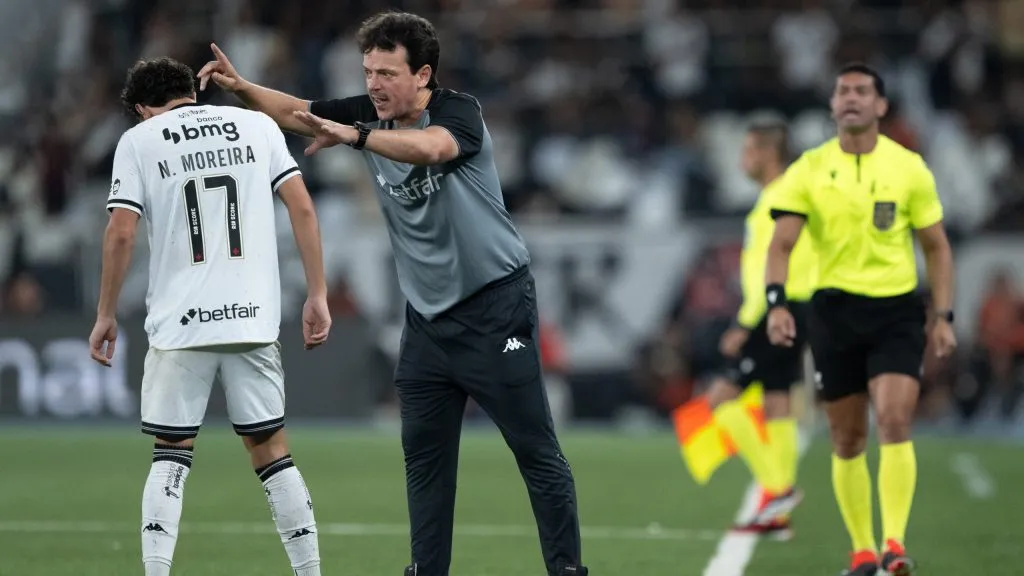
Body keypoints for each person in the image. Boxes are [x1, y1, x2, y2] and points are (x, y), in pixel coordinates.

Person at [198, 11, 587, 576]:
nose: (373, 84)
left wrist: (357, 136)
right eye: (368, 72)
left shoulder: (458, 112)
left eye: (386, 73)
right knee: (425, 464)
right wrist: (242, 88)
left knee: (536, 451)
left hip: (495, 310)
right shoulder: (369, 114)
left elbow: (431, 148)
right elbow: (298, 112)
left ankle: (567, 571)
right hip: (427, 324)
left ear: (423, 74)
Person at [88, 57, 332, 576]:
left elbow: (122, 232)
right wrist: (318, 292)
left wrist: (105, 312)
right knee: (272, 452)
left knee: (170, 455)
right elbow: (302, 207)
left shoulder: (139, 141)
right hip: (251, 318)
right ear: (190, 93)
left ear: (142, 108)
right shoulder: (256, 125)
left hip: (181, 324)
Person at [765, 62, 957, 576]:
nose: (851, 98)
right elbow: (781, 244)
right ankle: (862, 551)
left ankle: (894, 545)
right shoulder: (809, 169)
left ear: (881, 105)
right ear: (832, 105)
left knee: (893, 419)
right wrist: (777, 303)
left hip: (896, 311)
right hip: (834, 313)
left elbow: (936, 247)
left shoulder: (908, 168)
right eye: (843, 91)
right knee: (847, 437)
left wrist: (943, 315)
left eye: (862, 91)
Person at [681, 120, 814, 536]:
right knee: (777, 401)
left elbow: (768, 268)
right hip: (794, 308)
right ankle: (778, 514)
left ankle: (779, 488)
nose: (742, 159)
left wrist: (744, 321)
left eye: (749, 150)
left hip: (775, 311)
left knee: (721, 398)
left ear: (768, 153)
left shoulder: (782, 197)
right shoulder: (782, 194)